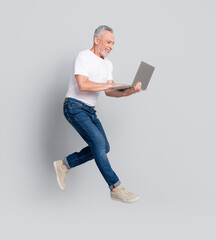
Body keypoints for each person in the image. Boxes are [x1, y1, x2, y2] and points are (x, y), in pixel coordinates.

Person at [53, 25, 142, 203]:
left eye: (113, 43)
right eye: (108, 42)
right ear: (96, 40)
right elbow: (83, 85)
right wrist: (110, 85)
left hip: (89, 111)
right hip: (74, 106)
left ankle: (64, 164)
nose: (111, 46)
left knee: (103, 147)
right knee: (98, 143)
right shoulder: (83, 56)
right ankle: (115, 187)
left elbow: (110, 92)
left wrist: (130, 91)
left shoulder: (108, 64)